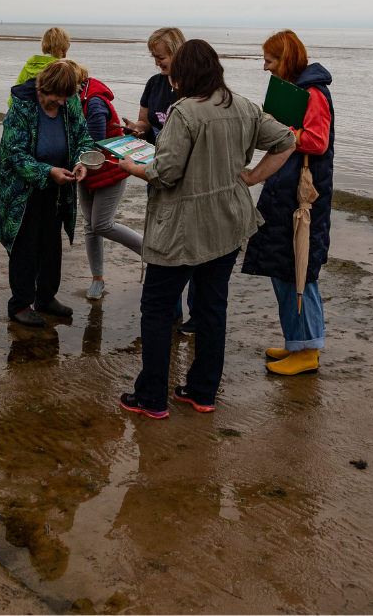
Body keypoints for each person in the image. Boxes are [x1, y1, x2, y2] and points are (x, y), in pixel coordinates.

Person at [114, 39, 295, 418]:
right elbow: (287, 140)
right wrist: (251, 178)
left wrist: (132, 166)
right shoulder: (243, 106)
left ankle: (151, 398)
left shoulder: (185, 113)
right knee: (212, 306)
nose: (172, 79)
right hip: (228, 224)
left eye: (175, 71)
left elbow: (164, 173)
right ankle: (202, 392)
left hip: (182, 228)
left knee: (158, 308)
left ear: (185, 73)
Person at [241, 30, 335, 376]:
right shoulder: (299, 91)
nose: (265, 67)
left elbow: (317, 141)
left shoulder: (314, 93)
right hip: (285, 190)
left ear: (286, 59)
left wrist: (284, 132)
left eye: (270, 60)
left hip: (302, 197)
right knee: (284, 268)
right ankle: (297, 343)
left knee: (300, 271)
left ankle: (309, 350)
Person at [0, 59, 90, 327]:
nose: (62, 103)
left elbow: (83, 138)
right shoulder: (21, 106)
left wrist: (80, 161)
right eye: (56, 97)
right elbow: (14, 155)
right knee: (25, 246)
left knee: (51, 245)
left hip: (57, 189)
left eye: (67, 97)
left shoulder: (70, 101)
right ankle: (20, 305)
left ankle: (46, 298)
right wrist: (47, 171)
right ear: (43, 87)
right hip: (23, 191)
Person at [125, 26, 197, 332]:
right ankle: (172, 310)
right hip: (155, 172)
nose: (157, 62)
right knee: (164, 242)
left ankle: (197, 314)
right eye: (154, 56)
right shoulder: (154, 83)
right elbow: (145, 122)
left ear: (178, 52)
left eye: (161, 56)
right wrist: (138, 129)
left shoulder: (194, 86)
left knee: (193, 245)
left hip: (190, 178)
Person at [75, 63, 142, 300]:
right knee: (89, 225)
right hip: (85, 169)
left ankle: (149, 252)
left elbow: (93, 144)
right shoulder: (78, 98)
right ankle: (97, 279)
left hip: (109, 168)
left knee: (101, 224)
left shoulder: (93, 102)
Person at [7, 26, 70, 107]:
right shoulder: (63, 70)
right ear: (64, 46)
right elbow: (71, 104)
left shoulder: (29, 66)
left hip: (27, 115)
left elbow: (13, 98)